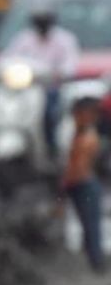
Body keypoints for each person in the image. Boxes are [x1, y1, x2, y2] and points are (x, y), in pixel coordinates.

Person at [3, 4, 80, 158]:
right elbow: (8, 58)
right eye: (39, 21)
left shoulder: (64, 39)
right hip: (26, 89)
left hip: (53, 88)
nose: (42, 25)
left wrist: (58, 74)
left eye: (45, 21)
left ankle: (51, 146)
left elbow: (70, 65)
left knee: (51, 113)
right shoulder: (24, 39)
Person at [61, 96, 105, 274]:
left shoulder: (87, 138)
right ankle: (94, 262)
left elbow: (78, 167)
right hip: (83, 184)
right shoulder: (81, 135)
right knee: (89, 224)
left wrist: (65, 185)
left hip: (84, 184)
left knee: (90, 225)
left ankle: (96, 263)